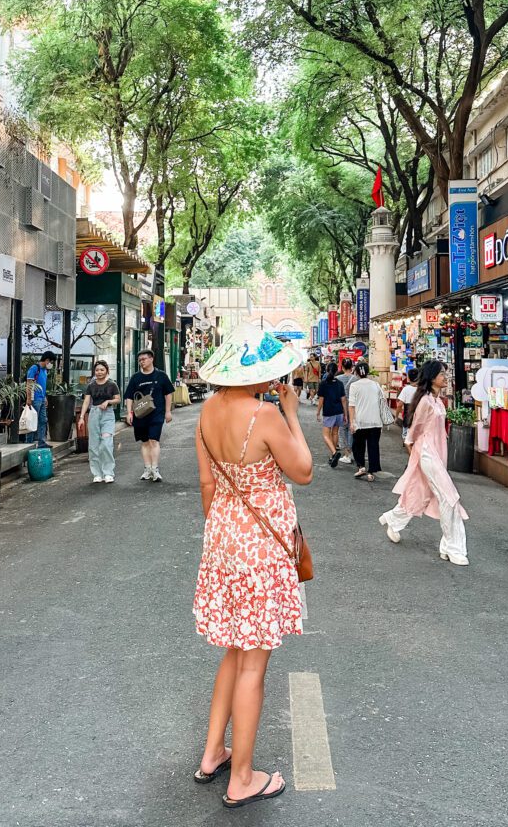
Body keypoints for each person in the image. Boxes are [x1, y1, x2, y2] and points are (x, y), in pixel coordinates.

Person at [193, 324, 312, 809]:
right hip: (260, 549)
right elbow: (302, 471)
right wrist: (292, 415)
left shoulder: (207, 410)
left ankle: (212, 753)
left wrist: (226, 532)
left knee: (233, 651)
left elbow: (206, 487)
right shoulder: (264, 414)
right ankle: (241, 777)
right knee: (254, 664)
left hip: (221, 540)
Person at [378, 361, 469, 565]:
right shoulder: (426, 402)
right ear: (432, 377)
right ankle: (452, 546)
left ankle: (393, 520)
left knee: (421, 492)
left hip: (438, 453)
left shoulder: (439, 401)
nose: (446, 377)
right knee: (449, 497)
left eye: (446, 373)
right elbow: (413, 433)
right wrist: (416, 457)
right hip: (427, 453)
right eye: (442, 374)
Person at [124, 350, 174, 482]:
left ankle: (155, 469)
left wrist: (168, 411)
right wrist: (129, 412)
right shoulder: (136, 378)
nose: (141, 362)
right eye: (139, 360)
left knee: (154, 440)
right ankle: (147, 469)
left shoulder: (161, 376)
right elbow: (129, 396)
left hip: (156, 414)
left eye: (144, 359)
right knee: (145, 442)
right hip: (140, 415)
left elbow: (168, 393)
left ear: (151, 359)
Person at [79, 361, 121, 484]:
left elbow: (118, 399)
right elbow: (86, 402)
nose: (99, 372)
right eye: (97, 370)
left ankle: (108, 472)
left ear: (107, 371)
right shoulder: (91, 385)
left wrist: (108, 402)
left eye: (102, 370)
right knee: (93, 445)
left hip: (107, 414)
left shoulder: (112, 384)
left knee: (106, 443)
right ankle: (97, 473)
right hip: (94, 413)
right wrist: (81, 417)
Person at [348, 361, 385, 481]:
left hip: (360, 421)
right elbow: (381, 402)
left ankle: (361, 466)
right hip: (375, 421)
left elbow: (352, 405)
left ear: (357, 372)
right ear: (368, 372)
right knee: (373, 446)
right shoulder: (376, 385)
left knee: (358, 445)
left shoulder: (354, 386)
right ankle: (371, 472)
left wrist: (352, 422)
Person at [316, 361, 348, 468]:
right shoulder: (339, 383)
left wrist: (318, 412)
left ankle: (334, 453)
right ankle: (332, 456)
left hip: (329, 412)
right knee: (335, 433)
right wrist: (345, 414)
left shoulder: (324, 383)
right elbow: (343, 399)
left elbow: (321, 400)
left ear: (327, 370)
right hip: (339, 411)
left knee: (325, 435)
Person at [24, 351, 56, 448]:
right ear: (47, 360)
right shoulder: (34, 368)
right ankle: (28, 442)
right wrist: (29, 399)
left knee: (43, 420)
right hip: (35, 399)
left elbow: (43, 385)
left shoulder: (44, 371)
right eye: (51, 362)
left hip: (41, 399)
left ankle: (41, 442)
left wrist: (45, 397)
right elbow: (29, 384)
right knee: (32, 420)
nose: (52, 364)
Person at [336, 358, 356, 463]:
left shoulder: (337, 379)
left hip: (341, 406)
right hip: (354, 406)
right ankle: (351, 452)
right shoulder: (356, 379)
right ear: (352, 367)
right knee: (352, 428)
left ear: (342, 367)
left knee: (343, 429)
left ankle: (346, 454)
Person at [396, 368, 419, 445]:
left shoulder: (406, 389)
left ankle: (411, 454)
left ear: (408, 378)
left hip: (408, 418)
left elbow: (399, 405)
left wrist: (396, 416)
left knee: (406, 438)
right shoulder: (422, 389)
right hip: (419, 418)